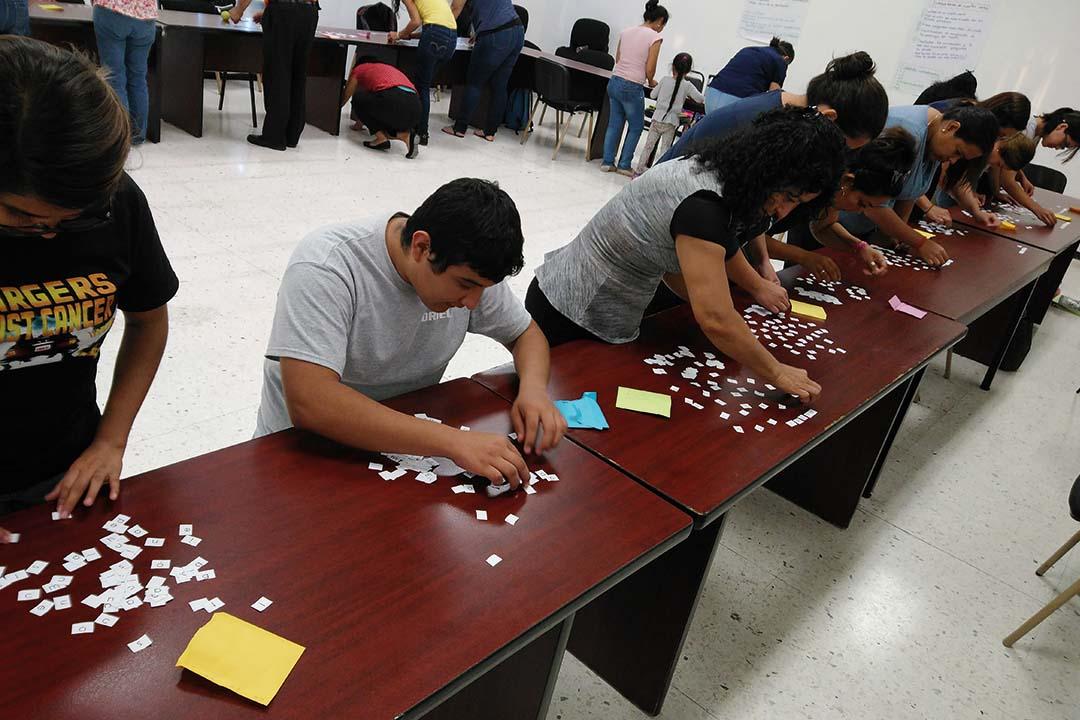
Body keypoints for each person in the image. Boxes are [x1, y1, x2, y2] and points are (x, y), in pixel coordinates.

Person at [254, 178, 567, 489]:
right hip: (303, 453)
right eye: (465, 285)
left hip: (402, 454)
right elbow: (311, 401)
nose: (472, 303)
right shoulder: (327, 265)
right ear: (421, 247)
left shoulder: (472, 270)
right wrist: (454, 442)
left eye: (482, 289)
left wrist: (534, 390)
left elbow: (526, 334)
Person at [527, 107, 846, 403]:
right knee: (561, 416)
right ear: (767, 167)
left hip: (602, 306)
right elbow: (716, 318)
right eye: (788, 196)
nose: (783, 210)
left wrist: (735, 311)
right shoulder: (704, 204)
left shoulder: (724, 176)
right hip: (572, 311)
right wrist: (776, 371)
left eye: (798, 202)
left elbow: (708, 258)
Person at [0, 38, 177, 538]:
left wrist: (110, 441)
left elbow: (146, 320)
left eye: (76, 220)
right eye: (24, 217)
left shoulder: (114, 199)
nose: (52, 234)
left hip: (65, 464)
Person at [659, 51, 889, 290]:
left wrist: (762, 261)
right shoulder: (761, 129)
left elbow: (748, 213)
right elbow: (714, 222)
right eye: (842, 147)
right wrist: (755, 283)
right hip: (668, 238)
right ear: (828, 118)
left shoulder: (789, 121)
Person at [838, 104, 999, 266]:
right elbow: (872, 202)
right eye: (957, 152)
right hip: (839, 226)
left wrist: (897, 238)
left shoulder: (935, 137)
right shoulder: (907, 131)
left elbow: (910, 193)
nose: (953, 160)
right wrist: (920, 243)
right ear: (951, 127)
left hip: (863, 236)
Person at [770, 127, 918, 280]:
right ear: (848, 181)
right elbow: (750, 237)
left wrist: (859, 247)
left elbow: (824, 227)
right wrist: (804, 257)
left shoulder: (835, 188)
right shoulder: (811, 180)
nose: (860, 211)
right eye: (861, 203)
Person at [229, 0, 320, 151]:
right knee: (298, 74)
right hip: (309, 12)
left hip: (283, 10)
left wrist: (239, 9)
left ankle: (274, 136)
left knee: (278, 73)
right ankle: (292, 135)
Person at [601, 0, 669, 176]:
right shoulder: (655, 37)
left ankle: (607, 162)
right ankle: (624, 164)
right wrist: (652, 81)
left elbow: (618, 59)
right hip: (632, 86)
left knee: (614, 124)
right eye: (664, 24)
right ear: (660, 20)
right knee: (636, 126)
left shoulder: (626, 32)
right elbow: (650, 69)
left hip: (614, 81)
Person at [442, 0, 524, 142]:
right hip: (517, 31)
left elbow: (455, 8)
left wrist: (439, 30)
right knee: (500, 86)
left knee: (475, 82)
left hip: (495, 35)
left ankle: (459, 128)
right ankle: (489, 132)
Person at [388, 0, 458, 147]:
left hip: (434, 35)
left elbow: (416, 21)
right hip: (452, 38)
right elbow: (437, 28)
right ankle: (418, 126)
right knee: (424, 85)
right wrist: (411, 36)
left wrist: (399, 35)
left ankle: (421, 132)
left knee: (422, 87)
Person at [91, 0, 157, 144]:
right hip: (146, 16)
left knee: (114, 78)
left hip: (112, 10)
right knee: (138, 79)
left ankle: (119, 136)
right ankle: (137, 136)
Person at [633, 52, 704, 176]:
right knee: (665, 150)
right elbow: (700, 99)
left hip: (657, 119)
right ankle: (658, 174)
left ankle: (639, 170)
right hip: (671, 123)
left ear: (672, 67)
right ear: (688, 71)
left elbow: (652, 95)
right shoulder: (687, 86)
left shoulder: (665, 80)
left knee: (648, 146)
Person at [342, 56, 421, 158]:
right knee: (383, 111)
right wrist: (359, 124)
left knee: (358, 98)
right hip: (416, 107)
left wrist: (334, 110)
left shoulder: (360, 69)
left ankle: (381, 138)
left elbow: (347, 95)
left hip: (393, 99)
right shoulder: (387, 68)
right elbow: (371, 105)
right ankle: (405, 136)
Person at [705, 36, 793, 113]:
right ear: (786, 58)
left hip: (712, 94)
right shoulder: (781, 61)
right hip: (736, 101)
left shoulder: (749, 49)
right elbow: (773, 95)